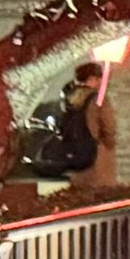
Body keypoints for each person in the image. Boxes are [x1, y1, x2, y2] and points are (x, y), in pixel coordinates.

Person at [18, 61, 115, 194]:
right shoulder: (97, 100)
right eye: (98, 79)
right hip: (95, 159)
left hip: (73, 159)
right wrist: (109, 144)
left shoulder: (67, 99)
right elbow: (109, 128)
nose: (100, 84)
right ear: (91, 79)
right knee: (101, 197)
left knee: (79, 198)